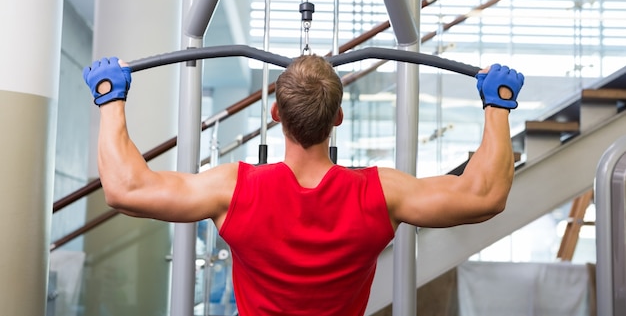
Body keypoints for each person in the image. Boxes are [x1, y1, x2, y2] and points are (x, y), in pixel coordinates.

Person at [83, 54, 524, 316]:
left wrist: (110, 100)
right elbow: (483, 194)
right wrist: (497, 107)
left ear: (276, 116)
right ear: (337, 118)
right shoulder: (380, 194)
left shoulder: (232, 188)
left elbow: (126, 188)